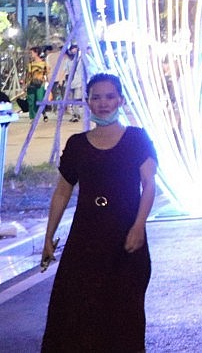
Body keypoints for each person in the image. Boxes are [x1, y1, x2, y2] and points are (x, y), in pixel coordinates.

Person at [40, 73, 158, 353]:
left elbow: (149, 184)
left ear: (120, 100)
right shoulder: (77, 144)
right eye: (96, 97)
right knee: (76, 313)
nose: (103, 103)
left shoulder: (136, 138)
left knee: (124, 314)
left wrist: (139, 226)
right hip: (86, 239)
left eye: (109, 96)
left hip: (126, 237)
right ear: (88, 102)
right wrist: (49, 235)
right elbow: (62, 192)